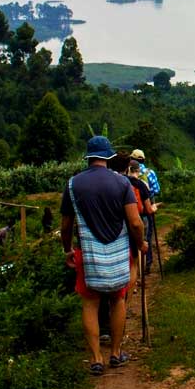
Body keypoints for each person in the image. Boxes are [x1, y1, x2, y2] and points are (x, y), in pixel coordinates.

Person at [61, 135, 147, 375]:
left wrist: (68, 250)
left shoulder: (73, 184)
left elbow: (66, 225)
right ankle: (116, 353)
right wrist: (140, 244)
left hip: (87, 255)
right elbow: (135, 223)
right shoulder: (122, 184)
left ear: (88, 158)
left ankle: (96, 358)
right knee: (117, 301)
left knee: (90, 303)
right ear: (108, 157)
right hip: (119, 256)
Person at [130, 149, 161, 273]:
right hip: (147, 205)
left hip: (131, 207)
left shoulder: (127, 173)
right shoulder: (150, 172)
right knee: (147, 235)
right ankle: (147, 263)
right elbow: (157, 190)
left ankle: (134, 267)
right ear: (143, 160)